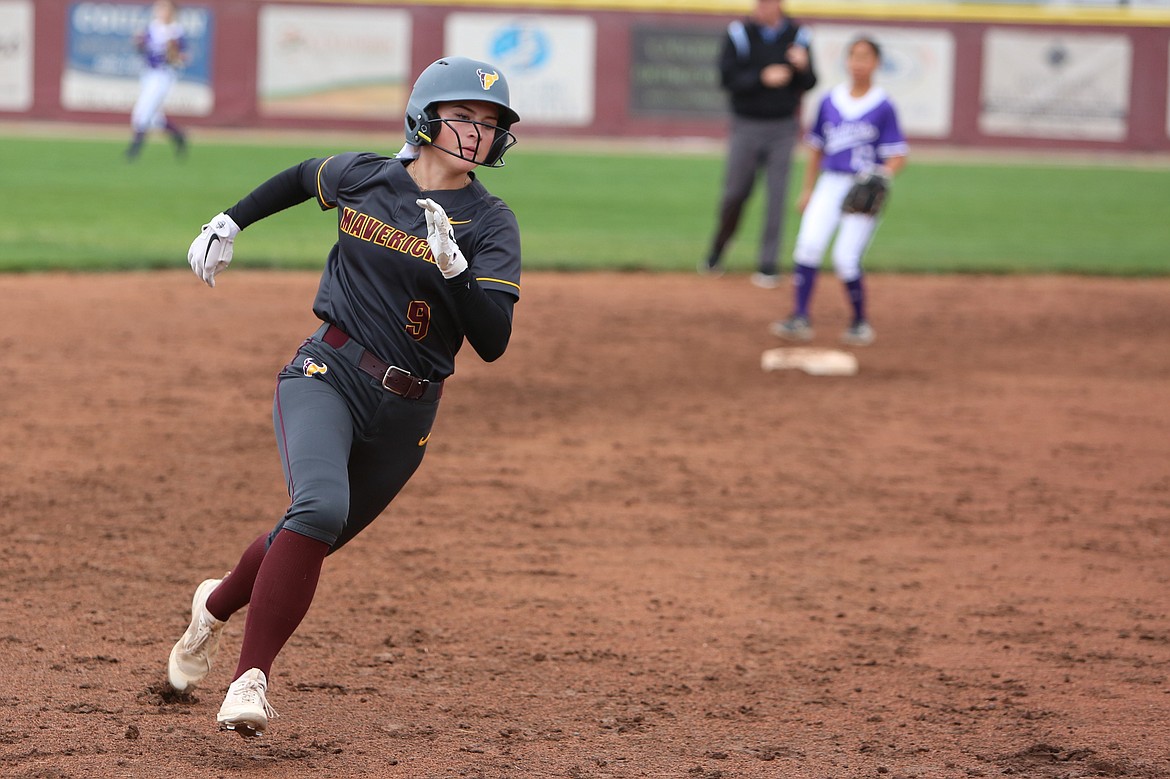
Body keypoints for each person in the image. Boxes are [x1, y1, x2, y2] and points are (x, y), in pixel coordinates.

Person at [167, 56, 522, 738]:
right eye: (463, 116)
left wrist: (458, 271)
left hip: (409, 411)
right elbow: (305, 175)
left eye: (490, 122)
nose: (477, 132)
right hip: (327, 370)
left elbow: (495, 340)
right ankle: (250, 680)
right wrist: (232, 220)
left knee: (302, 537)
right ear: (424, 119)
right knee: (320, 506)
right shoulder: (368, 176)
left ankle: (212, 604)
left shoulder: (490, 224)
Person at [770, 36, 908, 347]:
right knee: (807, 246)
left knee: (846, 257)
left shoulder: (883, 105)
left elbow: (898, 154)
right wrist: (807, 190)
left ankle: (860, 322)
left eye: (865, 57)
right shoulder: (829, 101)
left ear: (876, 63)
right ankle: (800, 317)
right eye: (854, 56)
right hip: (829, 183)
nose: (859, 63)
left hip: (862, 185)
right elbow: (815, 150)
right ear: (847, 62)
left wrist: (883, 175)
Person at [699, 0, 817, 289]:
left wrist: (802, 68)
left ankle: (768, 263)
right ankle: (718, 249)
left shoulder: (798, 35)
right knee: (735, 192)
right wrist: (761, 77)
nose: (763, 6)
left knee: (777, 197)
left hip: (783, 127)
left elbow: (811, 81)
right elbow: (726, 78)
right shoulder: (739, 33)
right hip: (747, 124)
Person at [126, 0, 188, 160]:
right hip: (148, 74)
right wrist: (138, 42)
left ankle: (134, 149)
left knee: (142, 112)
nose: (160, 10)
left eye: (164, 7)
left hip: (163, 75)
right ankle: (179, 136)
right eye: (158, 7)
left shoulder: (175, 31)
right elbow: (141, 49)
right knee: (155, 118)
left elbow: (182, 58)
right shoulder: (152, 28)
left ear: (171, 11)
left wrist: (173, 54)